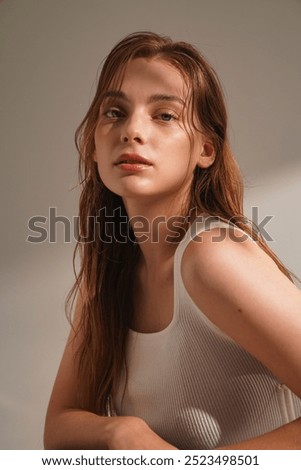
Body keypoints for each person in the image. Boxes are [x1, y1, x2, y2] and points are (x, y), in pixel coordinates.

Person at [44, 31, 301, 450]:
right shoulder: (111, 271)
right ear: (92, 142)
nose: (132, 131)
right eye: (114, 112)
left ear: (206, 149)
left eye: (164, 115)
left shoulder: (211, 256)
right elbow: (57, 431)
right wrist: (120, 431)